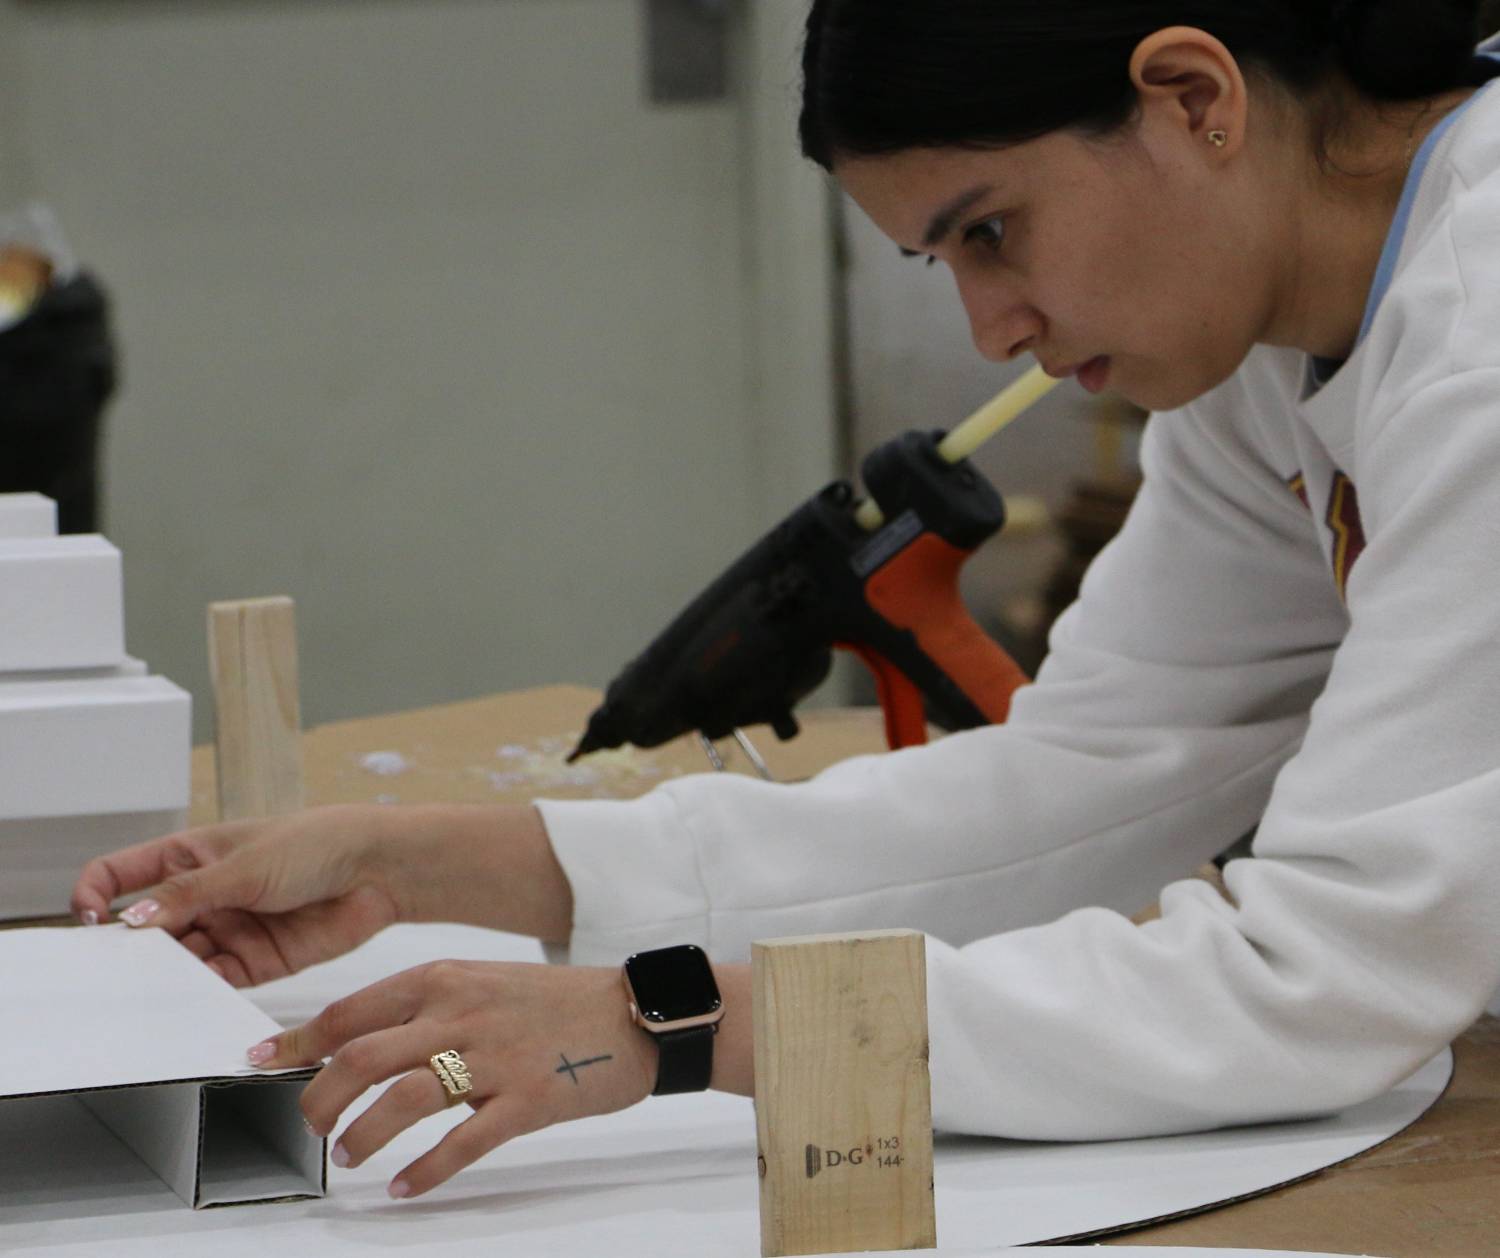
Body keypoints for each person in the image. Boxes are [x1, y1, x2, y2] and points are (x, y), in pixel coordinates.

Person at [70, 0, 1500, 1203]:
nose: (990, 327)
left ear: (1195, 97)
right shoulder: (1264, 362)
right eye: (941, 266)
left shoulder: (1479, 328)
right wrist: (456, 862)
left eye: (993, 231)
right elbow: (1093, 785)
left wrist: (674, 1023)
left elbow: (1326, 969)